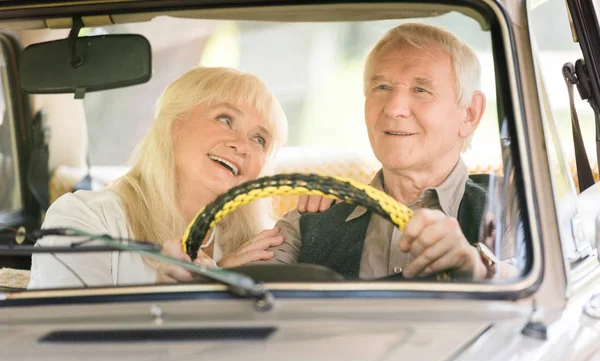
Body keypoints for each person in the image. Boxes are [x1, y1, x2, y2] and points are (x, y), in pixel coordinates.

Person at [265, 23, 516, 281]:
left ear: (470, 113)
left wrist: (476, 265)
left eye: (421, 90)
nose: (394, 108)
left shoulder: (515, 206)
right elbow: (250, 295)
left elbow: (545, 292)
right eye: (382, 88)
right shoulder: (311, 219)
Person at [28, 67, 288, 289]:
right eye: (225, 119)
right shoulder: (85, 218)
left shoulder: (261, 242)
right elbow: (74, 338)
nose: (242, 145)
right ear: (174, 124)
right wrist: (216, 278)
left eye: (259, 139)